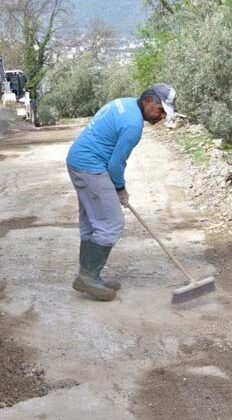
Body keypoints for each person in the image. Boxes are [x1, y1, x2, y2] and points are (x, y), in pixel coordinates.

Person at [66, 83, 177, 301]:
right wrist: (120, 188)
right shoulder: (133, 125)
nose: (162, 116)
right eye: (161, 110)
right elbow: (116, 165)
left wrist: (115, 187)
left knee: (93, 222)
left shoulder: (125, 104)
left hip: (78, 161)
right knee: (111, 224)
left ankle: (90, 275)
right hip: (90, 166)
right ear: (148, 101)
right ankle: (87, 277)